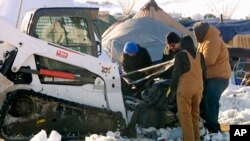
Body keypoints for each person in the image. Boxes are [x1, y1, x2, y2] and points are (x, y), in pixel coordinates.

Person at [193, 21, 231, 133]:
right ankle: (208, 125)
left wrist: (192, 63)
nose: (195, 36)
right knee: (207, 101)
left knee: (210, 101)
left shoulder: (212, 40)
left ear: (201, 32)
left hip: (218, 77)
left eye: (196, 33)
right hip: (212, 76)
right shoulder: (205, 40)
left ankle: (213, 128)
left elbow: (208, 60)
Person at [170, 35, 206, 141]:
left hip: (186, 90)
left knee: (185, 117)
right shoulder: (201, 55)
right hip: (199, 89)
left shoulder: (180, 55)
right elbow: (204, 73)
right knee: (195, 115)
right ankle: (196, 138)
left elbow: (176, 74)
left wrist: (172, 88)